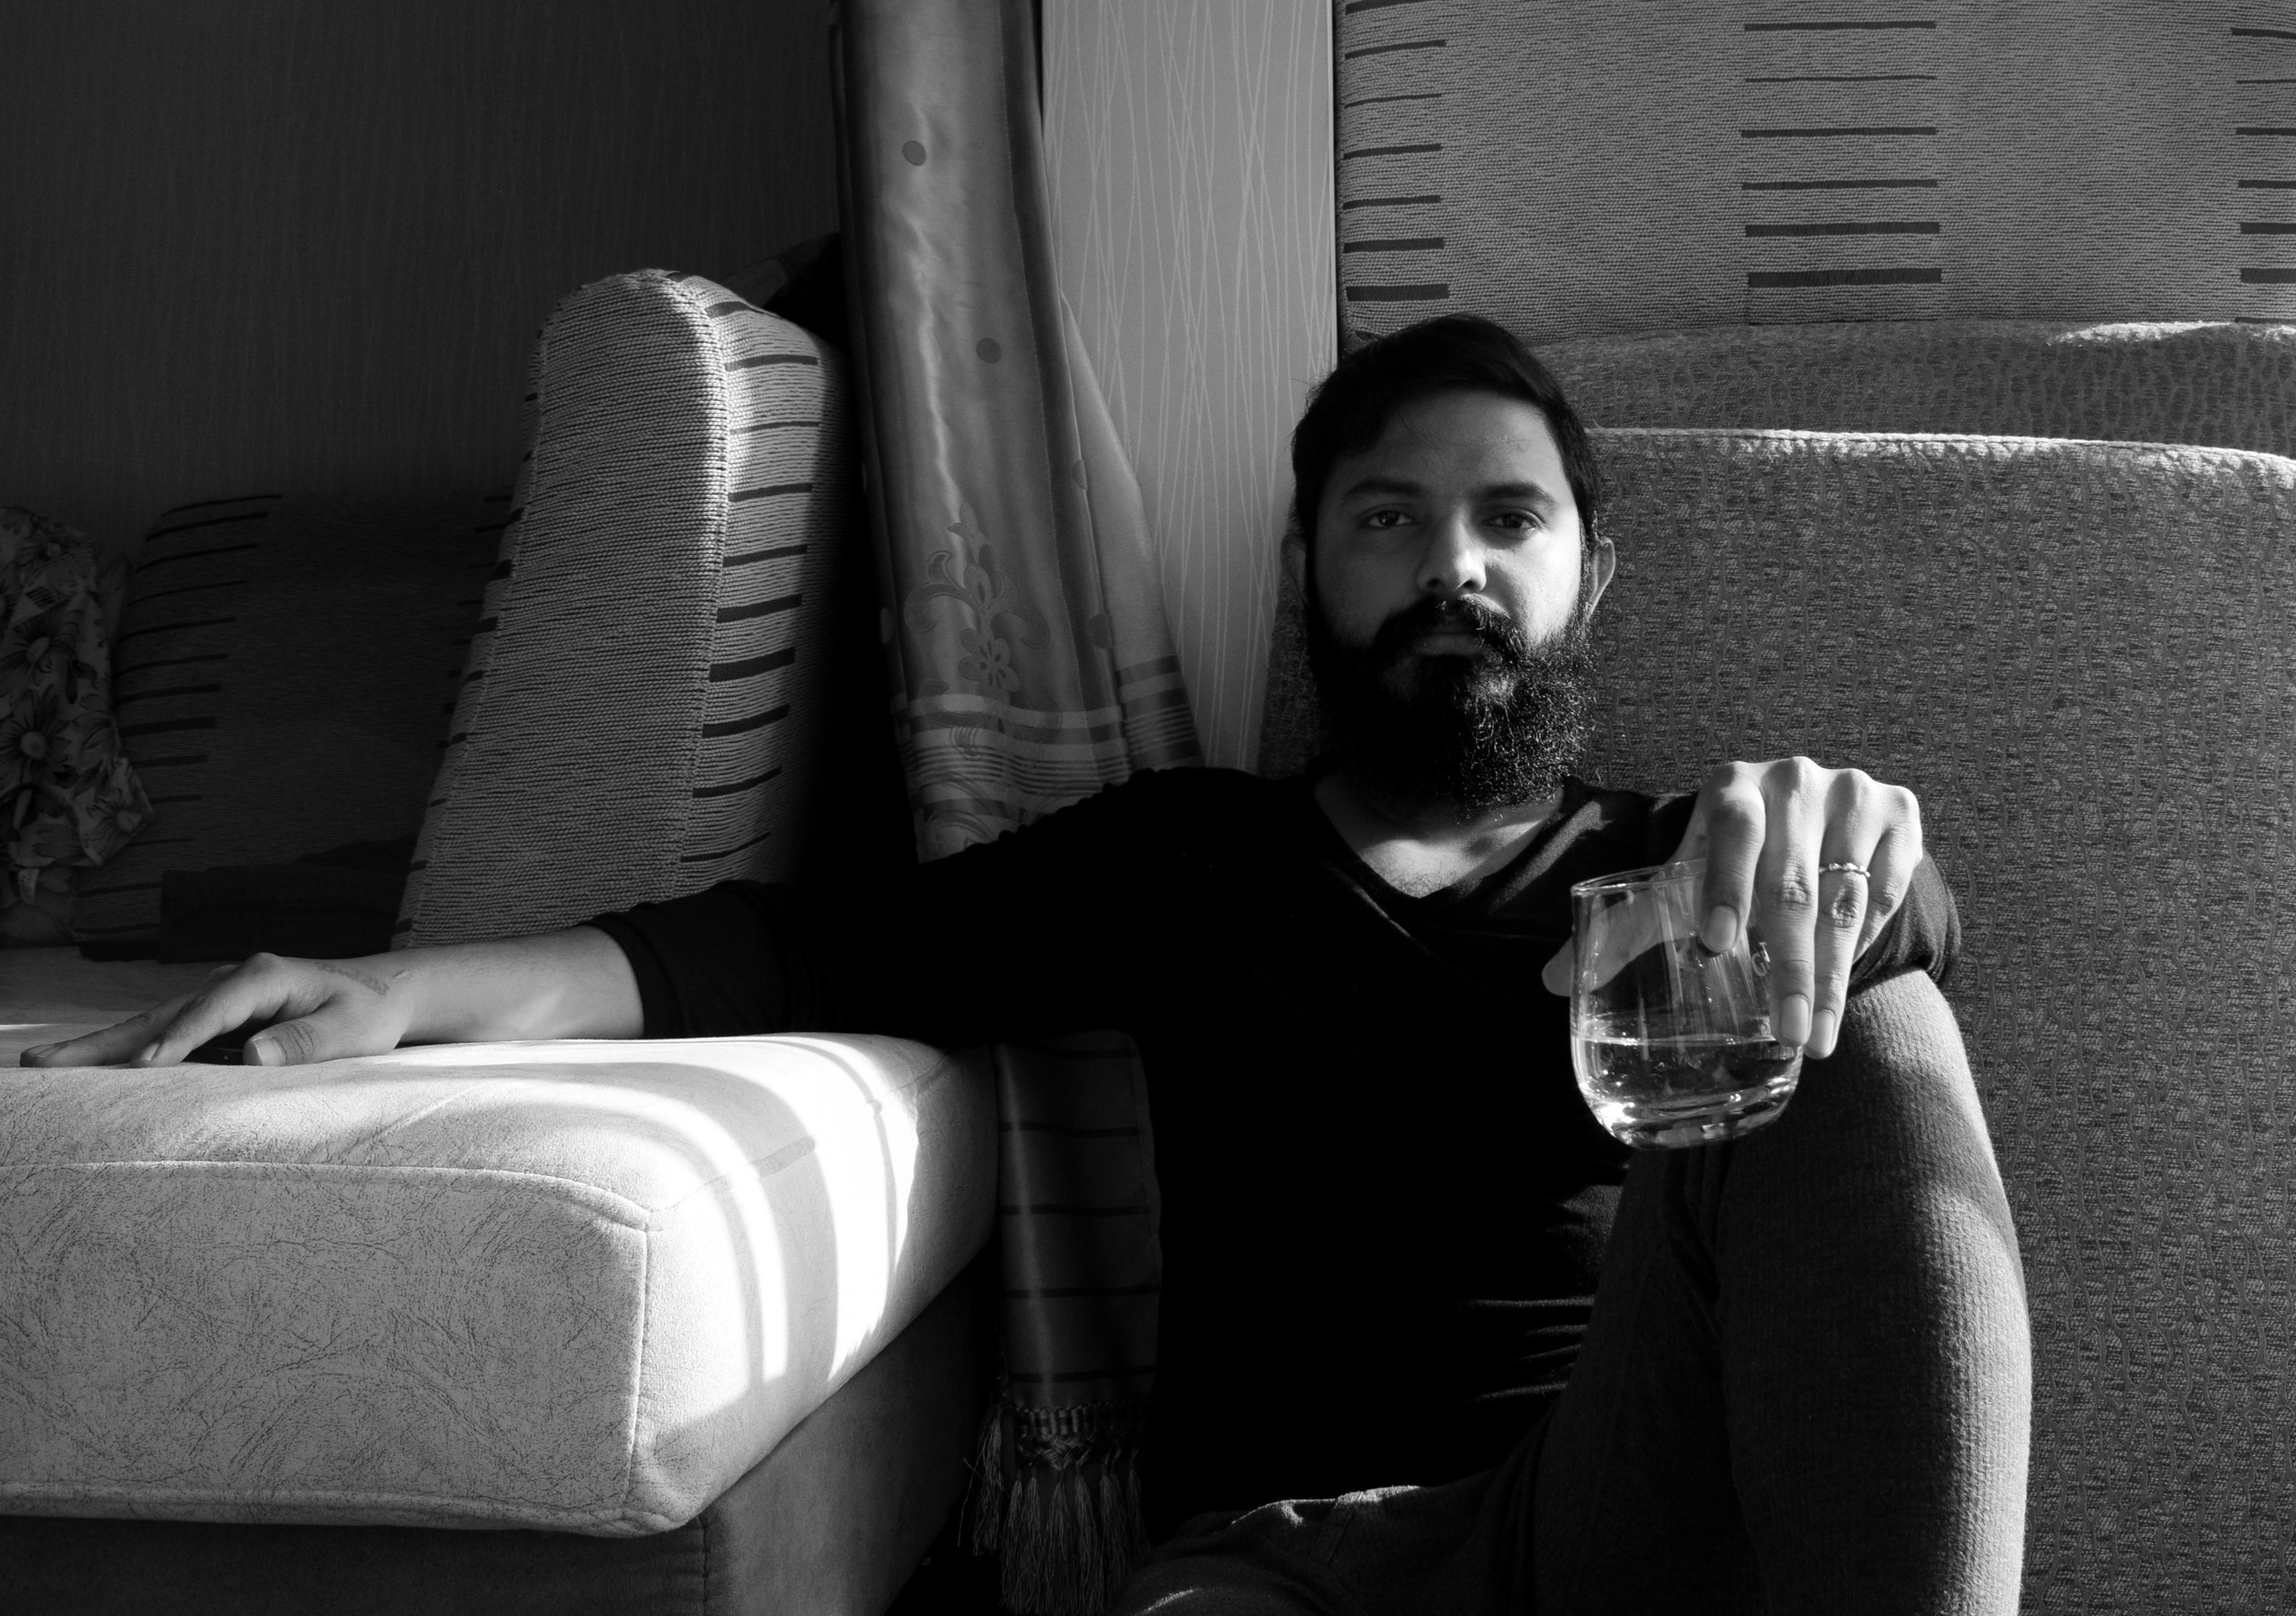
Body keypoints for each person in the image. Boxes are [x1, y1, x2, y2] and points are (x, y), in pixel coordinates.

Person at [25, 316, 2030, 1612]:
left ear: (1591, 571)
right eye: (1388, 517)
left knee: (1870, 1016)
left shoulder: (1686, 865)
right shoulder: (1188, 858)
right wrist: (401, 989)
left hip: (1595, 1514)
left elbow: (1909, 940)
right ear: (1310, 571)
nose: (1454, 567)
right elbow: (798, 940)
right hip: (1276, 1564)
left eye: (1512, 519)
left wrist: (1864, 858)